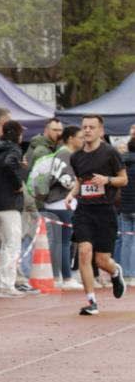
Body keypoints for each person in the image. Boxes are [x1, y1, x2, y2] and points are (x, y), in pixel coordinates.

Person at [65, 115, 127, 315]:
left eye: (92, 127)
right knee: (84, 251)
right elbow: (80, 182)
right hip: (84, 210)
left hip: (105, 211)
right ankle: (91, 301)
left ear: (101, 130)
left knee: (102, 261)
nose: (88, 130)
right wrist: (70, 195)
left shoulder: (110, 153)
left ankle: (115, 272)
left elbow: (123, 179)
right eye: (84, 127)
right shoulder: (76, 156)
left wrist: (107, 180)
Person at [0, 119, 28, 298]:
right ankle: (7, 284)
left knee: (6, 244)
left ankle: (5, 283)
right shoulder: (14, 149)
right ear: (16, 133)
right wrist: (18, 182)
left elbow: (6, 165)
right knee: (12, 244)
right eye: (21, 132)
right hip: (9, 202)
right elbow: (9, 164)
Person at [41, 125, 83, 288]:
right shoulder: (65, 154)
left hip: (55, 202)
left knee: (59, 241)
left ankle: (58, 276)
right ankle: (65, 277)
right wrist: (80, 186)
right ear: (71, 138)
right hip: (61, 202)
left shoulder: (61, 153)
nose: (82, 140)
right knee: (63, 242)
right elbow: (66, 180)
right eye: (80, 137)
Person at [117, 138, 135, 286]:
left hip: (124, 207)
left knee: (126, 241)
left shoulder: (121, 163)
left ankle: (126, 274)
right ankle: (133, 274)